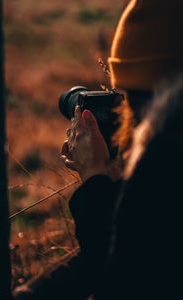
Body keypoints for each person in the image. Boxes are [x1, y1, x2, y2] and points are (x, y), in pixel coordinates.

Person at [13, 0, 183, 299]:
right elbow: (118, 253)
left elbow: (129, 279)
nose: (130, 119)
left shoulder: (166, 160)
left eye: (135, 103)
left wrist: (96, 182)